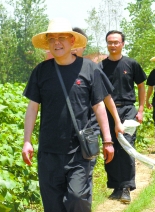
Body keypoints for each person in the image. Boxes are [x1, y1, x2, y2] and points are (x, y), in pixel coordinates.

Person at [22, 18, 115, 212]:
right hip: (48, 151)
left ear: (72, 41)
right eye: (52, 39)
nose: (57, 42)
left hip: (79, 151)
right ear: (47, 44)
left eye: (62, 38)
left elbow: (99, 106)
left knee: (77, 198)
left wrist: (108, 140)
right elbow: (32, 108)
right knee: (53, 205)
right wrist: (27, 141)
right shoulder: (41, 72)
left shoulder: (89, 69)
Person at [71, 27, 125, 203]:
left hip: (89, 133)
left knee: (84, 176)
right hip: (66, 135)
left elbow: (106, 98)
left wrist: (117, 122)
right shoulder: (56, 69)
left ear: (83, 46)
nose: (72, 47)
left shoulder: (91, 69)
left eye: (77, 44)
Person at [99, 30, 147, 204]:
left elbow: (141, 86)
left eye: (116, 42)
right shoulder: (101, 67)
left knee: (126, 146)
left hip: (128, 110)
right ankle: (116, 186)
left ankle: (126, 187)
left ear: (123, 44)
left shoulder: (131, 64)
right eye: (110, 42)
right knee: (110, 146)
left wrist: (140, 110)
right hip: (107, 112)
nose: (113, 45)